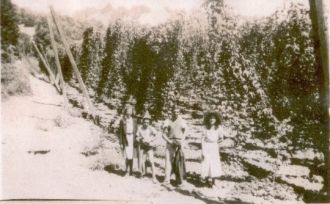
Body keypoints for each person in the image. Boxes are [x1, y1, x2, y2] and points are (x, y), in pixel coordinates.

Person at [162, 107, 188, 187]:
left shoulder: (182, 121)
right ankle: (167, 180)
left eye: (177, 112)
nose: (175, 113)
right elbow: (163, 134)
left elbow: (185, 133)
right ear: (172, 112)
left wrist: (181, 141)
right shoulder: (167, 121)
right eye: (174, 112)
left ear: (179, 113)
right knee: (168, 161)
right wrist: (169, 141)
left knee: (179, 161)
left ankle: (179, 180)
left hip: (179, 143)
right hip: (170, 142)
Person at [201, 111, 224, 188]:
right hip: (206, 146)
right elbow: (202, 139)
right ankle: (208, 180)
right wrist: (203, 150)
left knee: (214, 164)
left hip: (214, 147)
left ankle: (214, 181)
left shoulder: (219, 128)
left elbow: (221, 138)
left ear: (216, 120)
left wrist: (215, 143)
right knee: (206, 163)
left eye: (213, 119)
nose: (212, 120)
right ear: (208, 119)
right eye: (210, 119)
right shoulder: (205, 128)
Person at [136, 111, 158, 183]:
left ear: (149, 122)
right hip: (143, 146)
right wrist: (140, 139)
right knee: (142, 161)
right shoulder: (140, 128)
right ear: (143, 122)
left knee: (151, 161)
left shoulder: (150, 128)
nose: (146, 124)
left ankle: (154, 176)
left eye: (147, 122)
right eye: (145, 122)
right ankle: (143, 174)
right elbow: (137, 137)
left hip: (149, 147)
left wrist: (150, 140)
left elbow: (156, 135)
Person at [118, 105, 138, 176]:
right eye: (128, 111)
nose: (129, 112)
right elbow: (120, 132)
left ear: (132, 112)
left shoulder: (134, 120)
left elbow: (137, 130)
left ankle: (131, 171)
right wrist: (120, 142)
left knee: (131, 155)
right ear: (125, 111)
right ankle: (126, 170)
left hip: (132, 138)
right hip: (126, 138)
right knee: (127, 154)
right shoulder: (122, 120)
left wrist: (137, 139)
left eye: (131, 111)